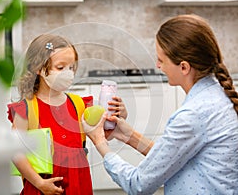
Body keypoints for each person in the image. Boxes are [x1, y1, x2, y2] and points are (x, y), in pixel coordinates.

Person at [82, 14, 238, 195]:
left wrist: (99, 141)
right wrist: (127, 135)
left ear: (184, 67)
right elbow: (172, 157)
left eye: (161, 60)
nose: (157, 66)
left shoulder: (193, 115)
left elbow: (138, 184)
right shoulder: (215, 95)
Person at [7, 33, 128, 195]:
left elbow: (106, 135)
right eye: (60, 67)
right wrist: (39, 183)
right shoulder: (26, 109)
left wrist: (120, 115)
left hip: (78, 186)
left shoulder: (79, 104)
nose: (68, 73)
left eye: (71, 67)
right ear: (38, 68)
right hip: (42, 188)